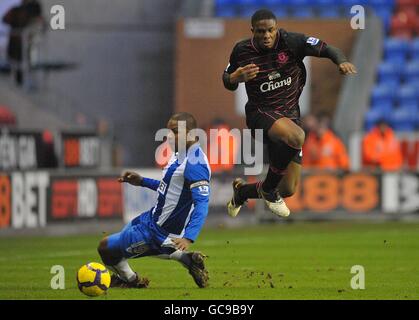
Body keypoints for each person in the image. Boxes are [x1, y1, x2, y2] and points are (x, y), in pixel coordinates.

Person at [222, 9, 357, 218]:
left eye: (270, 30)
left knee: (287, 189)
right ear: (252, 31)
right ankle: (268, 190)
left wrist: (341, 61)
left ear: (276, 29)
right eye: (260, 31)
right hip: (261, 114)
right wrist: (234, 78)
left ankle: (242, 192)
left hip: (290, 117)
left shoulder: (292, 42)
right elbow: (226, 79)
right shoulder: (241, 50)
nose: (266, 35)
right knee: (297, 136)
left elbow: (328, 49)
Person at [97, 112, 211, 288]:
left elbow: (202, 203)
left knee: (106, 248)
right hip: (150, 219)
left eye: (174, 131)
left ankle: (132, 281)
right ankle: (188, 260)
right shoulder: (180, 154)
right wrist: (142, 181)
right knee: (122, 240)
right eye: (168, 131)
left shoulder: (195, 164)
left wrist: (189, 237)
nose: (169, 136)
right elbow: (170, 188)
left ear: (191, 134)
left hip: (158, 232)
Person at [2, 0, 43, 86]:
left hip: (23, 46)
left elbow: (39, 22)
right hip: (18, 46)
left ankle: (22, 81)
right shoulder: (16, 10)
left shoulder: (24, 10)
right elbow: (5, 19)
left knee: (22, 62)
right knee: (19, 63)